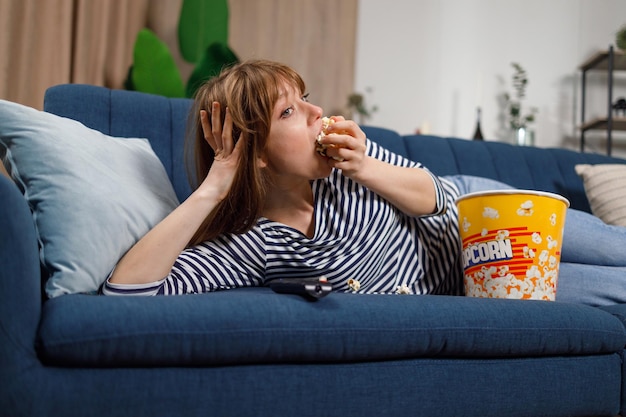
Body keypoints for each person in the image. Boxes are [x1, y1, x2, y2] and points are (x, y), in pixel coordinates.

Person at [104, 59, 626, 306]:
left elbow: (440, 199)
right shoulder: (258, 246)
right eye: (291, 111)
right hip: (478, 280)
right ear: (256, 153)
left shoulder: (347, 156)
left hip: (481, 211)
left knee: (615, 249)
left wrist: (364, 166)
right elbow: (127, 291)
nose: (316, 111)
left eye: (306, 95)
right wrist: (215, 187)